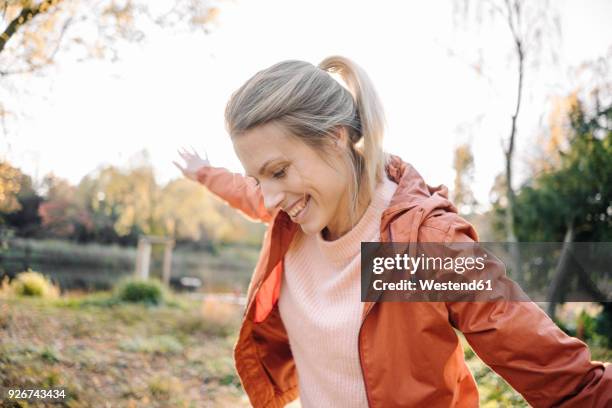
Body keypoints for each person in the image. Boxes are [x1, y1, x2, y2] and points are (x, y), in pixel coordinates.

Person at [173, 56, 611, 407]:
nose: (267, 199)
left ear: (336, 138)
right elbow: (245, 193)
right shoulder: (294, 218)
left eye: (279, 170)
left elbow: (566, 383)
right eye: (258, 179)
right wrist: (203, 173)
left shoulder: (415, 246)